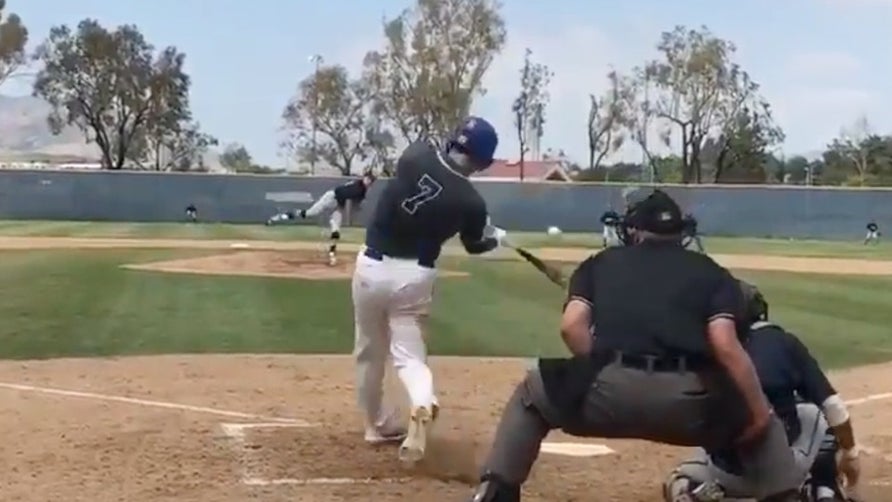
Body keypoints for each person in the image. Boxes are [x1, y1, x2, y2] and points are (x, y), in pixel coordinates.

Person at [466, 189, 802, 502]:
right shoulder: (713, 273)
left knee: (531, 395)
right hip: (691, 403)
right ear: (681, 233)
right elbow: (726, 346)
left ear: (635, 231)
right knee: (764, 427)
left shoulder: (601, 262)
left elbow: (571, 328)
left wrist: (597, 367)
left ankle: (495, 491)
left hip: (605, 392)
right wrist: (758, 414)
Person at [351, 117, 506, 464]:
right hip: (415, 275)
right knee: (409, 353)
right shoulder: (471, 202)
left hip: (372, 266)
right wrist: (495, 238)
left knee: (369, 350)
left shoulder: (415, 154)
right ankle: (422, 398)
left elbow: (428, 175)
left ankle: (376, 426)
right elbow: (475, 245)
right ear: (482, 160)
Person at [664, 280, 862, 501]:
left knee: (686, 466)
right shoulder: (782, 343)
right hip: (781, 475)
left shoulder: (706, 348)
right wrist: (851, 454)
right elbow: (834, 407)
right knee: (813, 412)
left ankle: (694, 491)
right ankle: (823, 489)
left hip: (726, 473)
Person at [267, 173, 377, 266]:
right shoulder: (358, 187)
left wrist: (353, 208)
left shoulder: (361, 190)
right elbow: (346, 196)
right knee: (309, 213)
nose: (368, 181)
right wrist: (350, 215)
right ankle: (282, 216)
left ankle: (331, 255)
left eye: (370, 181)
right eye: (367, 179)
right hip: (331, 198)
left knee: (336, 230)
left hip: (339, 206)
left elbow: (355, 203)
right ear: (364, 178)